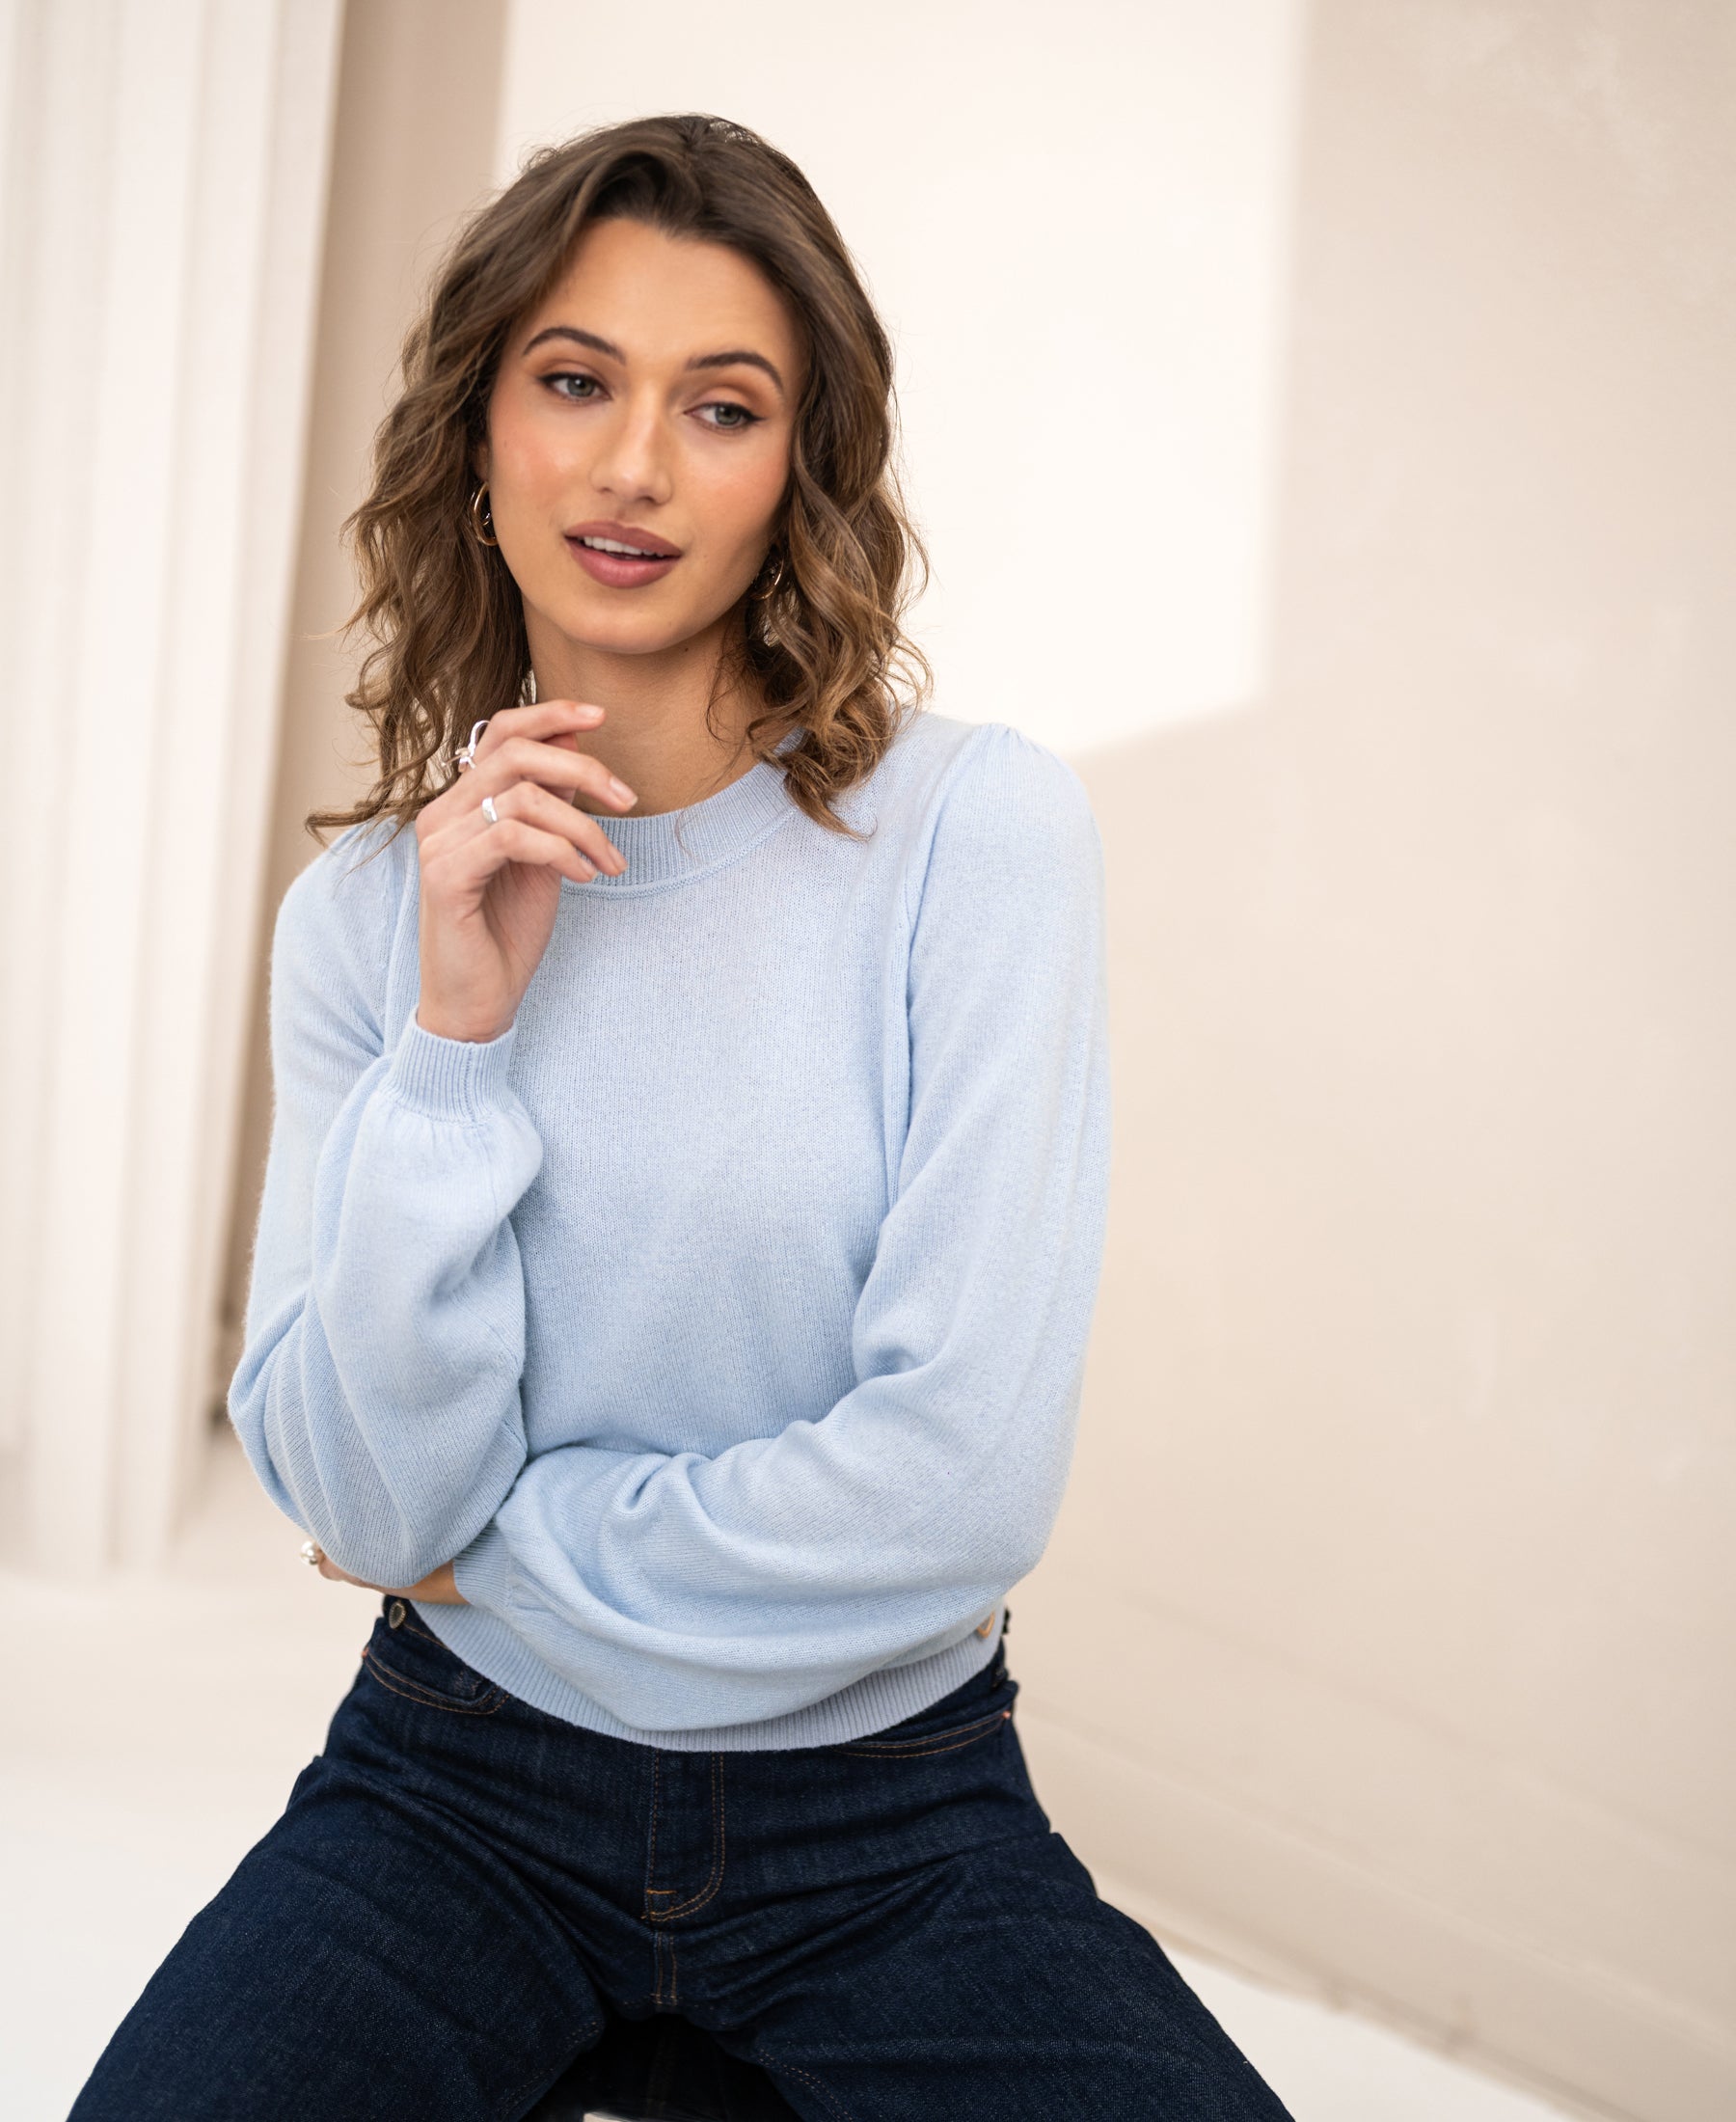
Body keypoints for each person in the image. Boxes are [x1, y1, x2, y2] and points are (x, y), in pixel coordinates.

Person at [72, 114, 1292, 2121]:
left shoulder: (971, 836)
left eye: (720, 406)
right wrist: (457, 1039)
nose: (633, 464)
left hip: (887, 1825)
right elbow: (372, 1504)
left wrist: (500, 1546)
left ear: (794, 471)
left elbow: (956, 1485)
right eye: (575, 382)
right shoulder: (369, 921)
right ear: (481, 435)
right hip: (455, 1789)